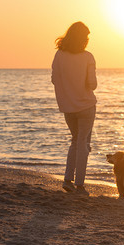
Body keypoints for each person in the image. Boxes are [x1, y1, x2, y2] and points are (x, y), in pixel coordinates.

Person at [51, 22, 97, 195]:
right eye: (86, 37)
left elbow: (54, 79)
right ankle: (80, 185)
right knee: (83, 143)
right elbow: (92, 85)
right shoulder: (88, 57)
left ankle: (67, 180)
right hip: (86, 106)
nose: (87, 40)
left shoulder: (59, 55)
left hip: (68, 107)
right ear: (82, 38)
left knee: (75, 141)